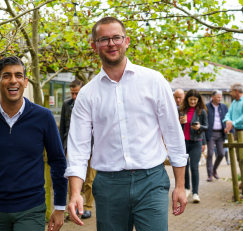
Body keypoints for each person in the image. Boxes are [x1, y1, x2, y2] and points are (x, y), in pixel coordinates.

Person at [65, 17, 188, 231]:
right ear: (94, 46)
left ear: (127, 41)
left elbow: (173, 134)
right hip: (108, 185)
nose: (111, 43)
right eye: (104, 39)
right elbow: (78, 148)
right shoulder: (86, 95)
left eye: (116, 38)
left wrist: (180, 185)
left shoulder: (154, 81)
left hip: (152, 181)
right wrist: (75, 192)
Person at [0, 56, 67, 231]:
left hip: (31, 209)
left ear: (25, 82)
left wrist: (60, 206)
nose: (13, 80)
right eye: (6, 76)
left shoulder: (44, 117)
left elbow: (57, 161)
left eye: (18, 75)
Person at [60, 79, 95, 219]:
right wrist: (62, 148)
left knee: (89, 180)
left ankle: (87, 207)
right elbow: (62, 127)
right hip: (71, 147)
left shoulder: (90, 103)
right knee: (73, 178)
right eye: (72, 94)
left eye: (77, 93)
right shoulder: (66, 105)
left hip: (91, 148)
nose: (74, 97)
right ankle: (74, 207)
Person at [179, 89, 208, 203]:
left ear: (198, 100)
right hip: (183, 142)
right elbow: (174, 125)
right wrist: (179, 122)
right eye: (191, 99)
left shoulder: (201, 111)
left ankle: (195, 193)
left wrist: (200, 127)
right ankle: (187, 188)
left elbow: (206, 127)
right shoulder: (181, 110)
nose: (192, 102)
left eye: (195, 100)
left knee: (194, 167)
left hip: (196, 142)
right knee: (184, 167)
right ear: (187, 99)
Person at [205, 90, 230, 181]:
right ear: (213, 97)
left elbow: (227, 118)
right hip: (210, 133)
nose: (220, 99)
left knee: (222, 153)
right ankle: (210, 174)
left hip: (221, 133)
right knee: (210, 154)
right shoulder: (207, 106)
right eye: (218, 97)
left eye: (221, 97)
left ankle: (214, 168)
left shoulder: (224, 106)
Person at [224, 83, 243, 171]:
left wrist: (233, 123)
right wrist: (227, 121)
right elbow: (228, 114)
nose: (230, 93)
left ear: (236, 91)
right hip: (237, 131)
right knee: (240, 157)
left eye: (231, 91)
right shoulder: (233, 102)